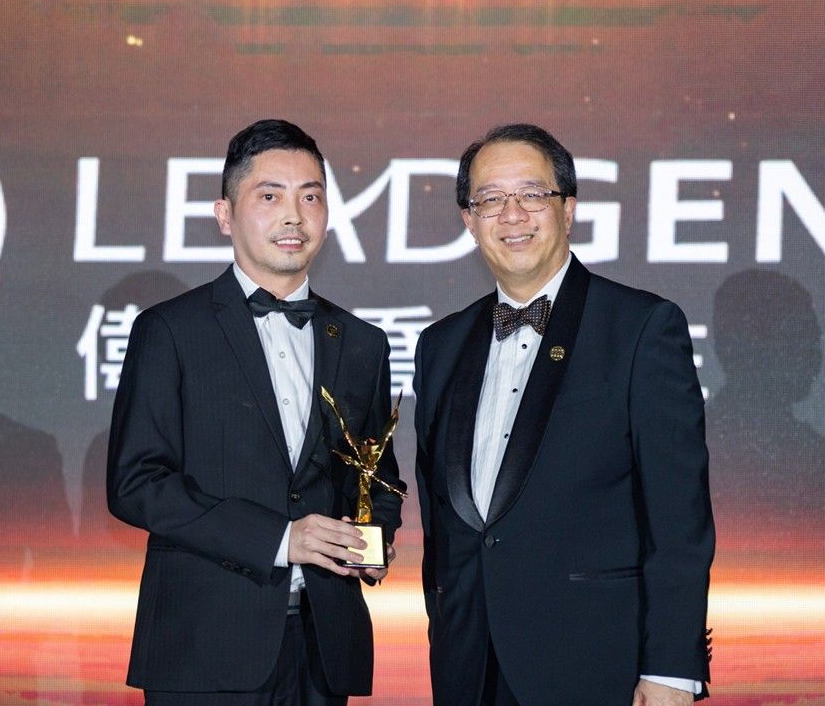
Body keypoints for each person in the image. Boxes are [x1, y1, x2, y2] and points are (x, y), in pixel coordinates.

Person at [413, 124, 714, 705]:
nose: (512, 215)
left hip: (596, 665)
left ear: (568, 209)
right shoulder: (440, 345)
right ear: (469, 220)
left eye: (532, 194)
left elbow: (679, 519)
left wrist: (672, 668)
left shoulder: (640, 328)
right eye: (490, 200)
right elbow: (444, 524)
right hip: (468, 666)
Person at [107, 119, 404, 705]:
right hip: (204, 646)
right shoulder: (170, 331)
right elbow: (136, 484)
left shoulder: (362, 343)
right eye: (269, 197)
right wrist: (281, 539)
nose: (294, 217)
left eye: (310, 197)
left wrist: (373, 540)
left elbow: (376, 474)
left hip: (323, 648)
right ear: (225, 215)